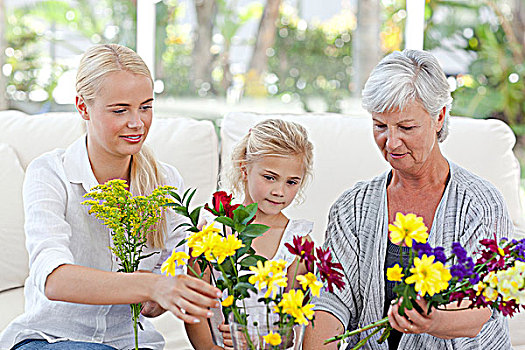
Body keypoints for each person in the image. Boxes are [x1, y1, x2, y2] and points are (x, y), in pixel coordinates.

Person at [0, 44, 222, 350]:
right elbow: (53, 279)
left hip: (133, 343)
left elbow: (154, 304)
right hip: (51, 340)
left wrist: (182, 280)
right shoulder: (51, 174)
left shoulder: (166, 181)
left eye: (145, 107)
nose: (137, 123)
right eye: (120, 110)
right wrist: (152, 285)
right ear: (82, 107)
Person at [303, 49, 514, 349]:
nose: (390, 142)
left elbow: (483, 306)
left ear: (439, 117)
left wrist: (432, 321)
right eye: (380, 126)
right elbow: (330, 303)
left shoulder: (480, 204)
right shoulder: (351, 208)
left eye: (406, 127)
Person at [185, 119, 315, 349]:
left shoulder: (298, 242)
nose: (279, 191)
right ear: (245, 169)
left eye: (292, 182)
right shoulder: (212, 232)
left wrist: (258, 340)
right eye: (270, 177)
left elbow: (293, 325)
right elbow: (193, 305)